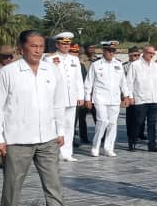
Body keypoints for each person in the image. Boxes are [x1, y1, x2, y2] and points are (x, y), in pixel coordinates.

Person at [0, 30, 82, 206]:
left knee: (54, 185)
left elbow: (58, 103)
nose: (38, 50)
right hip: (17, 139)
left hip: (48, 138)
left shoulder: (52, 70)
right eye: (33, 46)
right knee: (12, 186)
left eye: (41, 46)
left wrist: (60, 131)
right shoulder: (9, 73)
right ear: (21, 48)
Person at [43, 32, 84, 162]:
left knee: (70, 125)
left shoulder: (74, 59)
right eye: (63, 44)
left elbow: (78, 79)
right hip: (56, 98)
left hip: (71, 97)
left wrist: (80, 96)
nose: (66, 46)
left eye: (68, 44)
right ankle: (56, 152)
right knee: (57, 125)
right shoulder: (49, 59)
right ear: (57, 44)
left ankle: (67, 152)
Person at [84, 41, 130, 157]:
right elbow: (88, 82)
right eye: (109, 51)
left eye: (113, 51)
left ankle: (108, 147)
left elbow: (123, 82)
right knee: (102, 121)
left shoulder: (118, 64)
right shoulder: (96, 64)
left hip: (114, 98)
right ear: (104, 51)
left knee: (112, 123)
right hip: (100, 98)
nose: (111, 53)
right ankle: (95, 146)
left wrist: (126, 96)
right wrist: (87, 98)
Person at [125, 45, 157, 152]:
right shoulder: (135, 65)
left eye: (153, 53)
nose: (152, 55)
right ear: (144, 53)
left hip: (153, 99)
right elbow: (129, 82)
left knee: (152, 123)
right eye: (150, 53)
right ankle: (132, 142)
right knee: (138, 122)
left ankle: (152, 145)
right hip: (140, 98)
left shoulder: (155, 65)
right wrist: (130, 96)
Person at [77, 43, 100, 144]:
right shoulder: (80, 60)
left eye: (93, 47)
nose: (92, 49)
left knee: (98, 117)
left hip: (95, 92)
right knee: (82, 117)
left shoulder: (98, 60)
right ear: (85, 49)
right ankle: (84, 137)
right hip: (84, 91)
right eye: (90, 47)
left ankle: (100, 136)